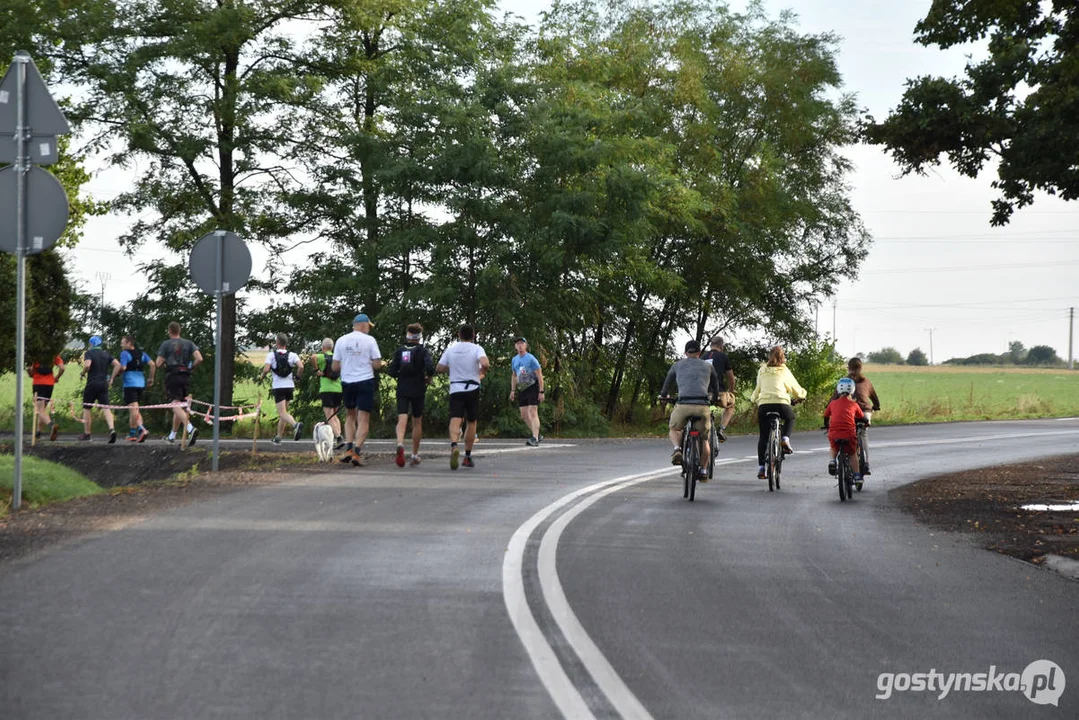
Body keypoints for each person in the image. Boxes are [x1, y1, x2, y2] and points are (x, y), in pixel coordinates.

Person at [659, 339, 721, 481]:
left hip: (683, 405)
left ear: (685, 353)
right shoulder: (708, 366)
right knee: (704, 440)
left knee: (674, 429)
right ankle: (704, 471)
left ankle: (677, 450)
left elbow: (667, 383)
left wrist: (663, 396)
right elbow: (716, 384)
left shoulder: (677, 365)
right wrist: (715, 399)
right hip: (702, 407)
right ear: (699, 353)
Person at [436, 324, 489, 470]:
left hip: (456, 388)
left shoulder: (451, 349)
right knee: (471, 422)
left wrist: (451, 367)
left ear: (459, 335)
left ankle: (454, 445)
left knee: (455, 418)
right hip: (472, 387)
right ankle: (467, 456)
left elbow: (439, 368)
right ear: (473, 336)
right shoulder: (477, 348)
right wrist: (481, 372)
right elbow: (485, 362)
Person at [750, 345, 807, 479]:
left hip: (764, 405)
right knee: (790, 418)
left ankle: (761, 468)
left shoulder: (762, 370)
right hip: (781, 403)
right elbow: (795, 388)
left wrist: (753, 399)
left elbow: (757, 389)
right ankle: (785, 439)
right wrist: (802, 395)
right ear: (783, 357)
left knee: (763, 437)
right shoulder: (784, 370)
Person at [332, 313, 382, 466]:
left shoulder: (341, 340)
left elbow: (334, 367)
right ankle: (357, 452)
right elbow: (377, 364)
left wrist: (348, 365)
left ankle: (348, 448)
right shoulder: (370, 340)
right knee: (363, 418)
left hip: (347, 381)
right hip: (365, 381)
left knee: (349, 415)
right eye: (368, 326)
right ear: (363, 325)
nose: (369, 329)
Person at [387, 323, 435, 467]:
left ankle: (400, 443)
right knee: (417, 421)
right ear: (420, 337)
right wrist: (428, 377)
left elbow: (391, 371)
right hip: (418, 387)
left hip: (403, 386)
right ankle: (414, 454)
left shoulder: (400, 350)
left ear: (407, 335)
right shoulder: (423, 351)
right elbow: (430, 367)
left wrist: (399, 374)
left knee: (402, 417)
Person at [831, 356, 882, 474]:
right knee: (863, 434)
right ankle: (866, 463)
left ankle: (843, 458)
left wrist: (829, 407)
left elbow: (834, 397)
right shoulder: (866, 381)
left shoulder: (844, 382)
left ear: (848, 368)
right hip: (865, 411)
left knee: (848, 432)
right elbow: (874, 397)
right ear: (861, 368)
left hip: (848, 411)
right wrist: (876, 406)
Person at [155, 321, 203, 445]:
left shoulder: (166, 345)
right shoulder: (188, 343)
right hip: (185, 375)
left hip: (173, 375)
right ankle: (172, 436)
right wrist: (191, 367)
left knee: (174, 404)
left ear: (169, 331)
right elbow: (199, 358)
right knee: (179, 406)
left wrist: (165, 360)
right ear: (179, 331)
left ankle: (190, 428)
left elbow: (158, 363)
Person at [259, 332, 304, 444]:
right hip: (289, 386)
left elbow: (266, 369)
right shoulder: (293, 355)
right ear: (286, 343)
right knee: (284, 413)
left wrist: (262, 376)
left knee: (282, 413)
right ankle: (278, 437)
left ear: (277, 342)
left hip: (278, 387)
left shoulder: (271, 355)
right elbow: (301, 366)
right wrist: (297, 377)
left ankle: (295, 425)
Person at [110, 335, 155, 443]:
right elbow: (152, 364)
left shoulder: (124, 354)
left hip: (130, 384)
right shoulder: (142, 353)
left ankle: (140, 429)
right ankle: (133, 434)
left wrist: (115, 375)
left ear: (129, 344)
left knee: (133, 409)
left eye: (123, 342)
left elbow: (123, 367)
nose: (121, 344)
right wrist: (151, 378)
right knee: (135, 408)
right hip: (141, 384)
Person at [79, 336, 121, 443]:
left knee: (87, 408)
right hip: (103, 384)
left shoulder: (89, 353)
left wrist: (83, 373)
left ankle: (87, 434)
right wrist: (112, 378)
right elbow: (118, 365)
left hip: (92, 383)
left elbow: (88, 365)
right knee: (106, 408)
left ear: (91, 344)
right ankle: (112, 429)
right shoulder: (106, 354)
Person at [824, 377, 865, 483]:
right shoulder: (854, 404)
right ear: (853, 390)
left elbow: (826, 415)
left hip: (834, 433)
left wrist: (827, 425)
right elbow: (861, 417)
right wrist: (866, 422)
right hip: (849, 434)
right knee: (852, 453)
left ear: (838, 389)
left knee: (834, 447)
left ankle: (832, 461)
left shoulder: (832, 403)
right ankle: (857, 476)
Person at [509, 337, 544, 446]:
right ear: (515, 346)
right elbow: (514, 375)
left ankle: (535, 438)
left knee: (532, 412)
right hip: (522, 388)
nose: (520, 345)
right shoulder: (514, 360)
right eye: (517, 344)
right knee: (524, 415)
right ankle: (537, 434)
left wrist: (541, 391)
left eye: (522, 343)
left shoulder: (531, 358)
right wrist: (513, 390)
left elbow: (539, 375)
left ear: (526, 345)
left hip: (533, 386)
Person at [700, 336, 736, 441]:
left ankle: (711, 414)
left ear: (711, 345)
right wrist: (731, 389)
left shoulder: (703, 357)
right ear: (721, 346)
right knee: (730, 405)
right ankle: (721, 429)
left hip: (704, 393)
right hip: (719, 393)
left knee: (710, 404)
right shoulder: (723, 357)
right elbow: (731, 378)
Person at [310, 337, 343, 447]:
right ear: (332, 347)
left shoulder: (322, 357)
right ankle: (340, 437)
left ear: (323, 347)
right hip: (338, 389)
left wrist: (316, 370)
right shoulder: (337, 358)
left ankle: (338, 437)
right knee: (335, 415)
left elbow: (313, 357)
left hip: (326, 389)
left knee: (329, 416)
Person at [29, 353, 65, 441]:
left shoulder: (36, 354)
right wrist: (56, 377)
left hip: (38, 383)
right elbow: (62, 368)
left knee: (40, 410)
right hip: (49, 384)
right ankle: (38, 433)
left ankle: (51, 425)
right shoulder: (53, 355)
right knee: (43, 409)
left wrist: (31, 374)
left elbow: (30, 369)